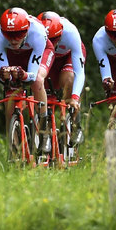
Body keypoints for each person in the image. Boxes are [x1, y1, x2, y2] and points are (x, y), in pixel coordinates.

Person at [0, 7, 55, 153]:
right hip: (15, 54)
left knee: (37, 80)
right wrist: (6, 74)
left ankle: (44, 132)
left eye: (19, 34)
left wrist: (23, 74)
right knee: (9, 93)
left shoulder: (37, 32)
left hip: (39, 51)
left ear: (26, 29)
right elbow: (2, 71)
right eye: (9, 34)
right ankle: (13, 148)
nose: (14, 39)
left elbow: (31, 75)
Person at [37, 11, 86, 145]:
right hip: (47, 58)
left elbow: (79, 72)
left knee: (69, 78)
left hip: (67, 57)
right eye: (48, 40)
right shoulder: (34, 31)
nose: (51, 44)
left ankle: (76, 124)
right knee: (40, 89)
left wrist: (75, 97)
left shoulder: (70, 32)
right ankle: (44, 130)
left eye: (54, 40)